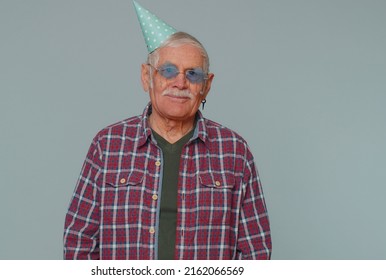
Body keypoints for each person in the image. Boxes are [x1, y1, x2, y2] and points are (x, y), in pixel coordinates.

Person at [63, 1, 271, 260]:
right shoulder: (107, 145)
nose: (180, 83)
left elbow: (256, 249)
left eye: (193, 74)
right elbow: (78, 239)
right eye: (168, 71)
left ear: (206, 86)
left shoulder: (234, 152)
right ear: (146, 76)